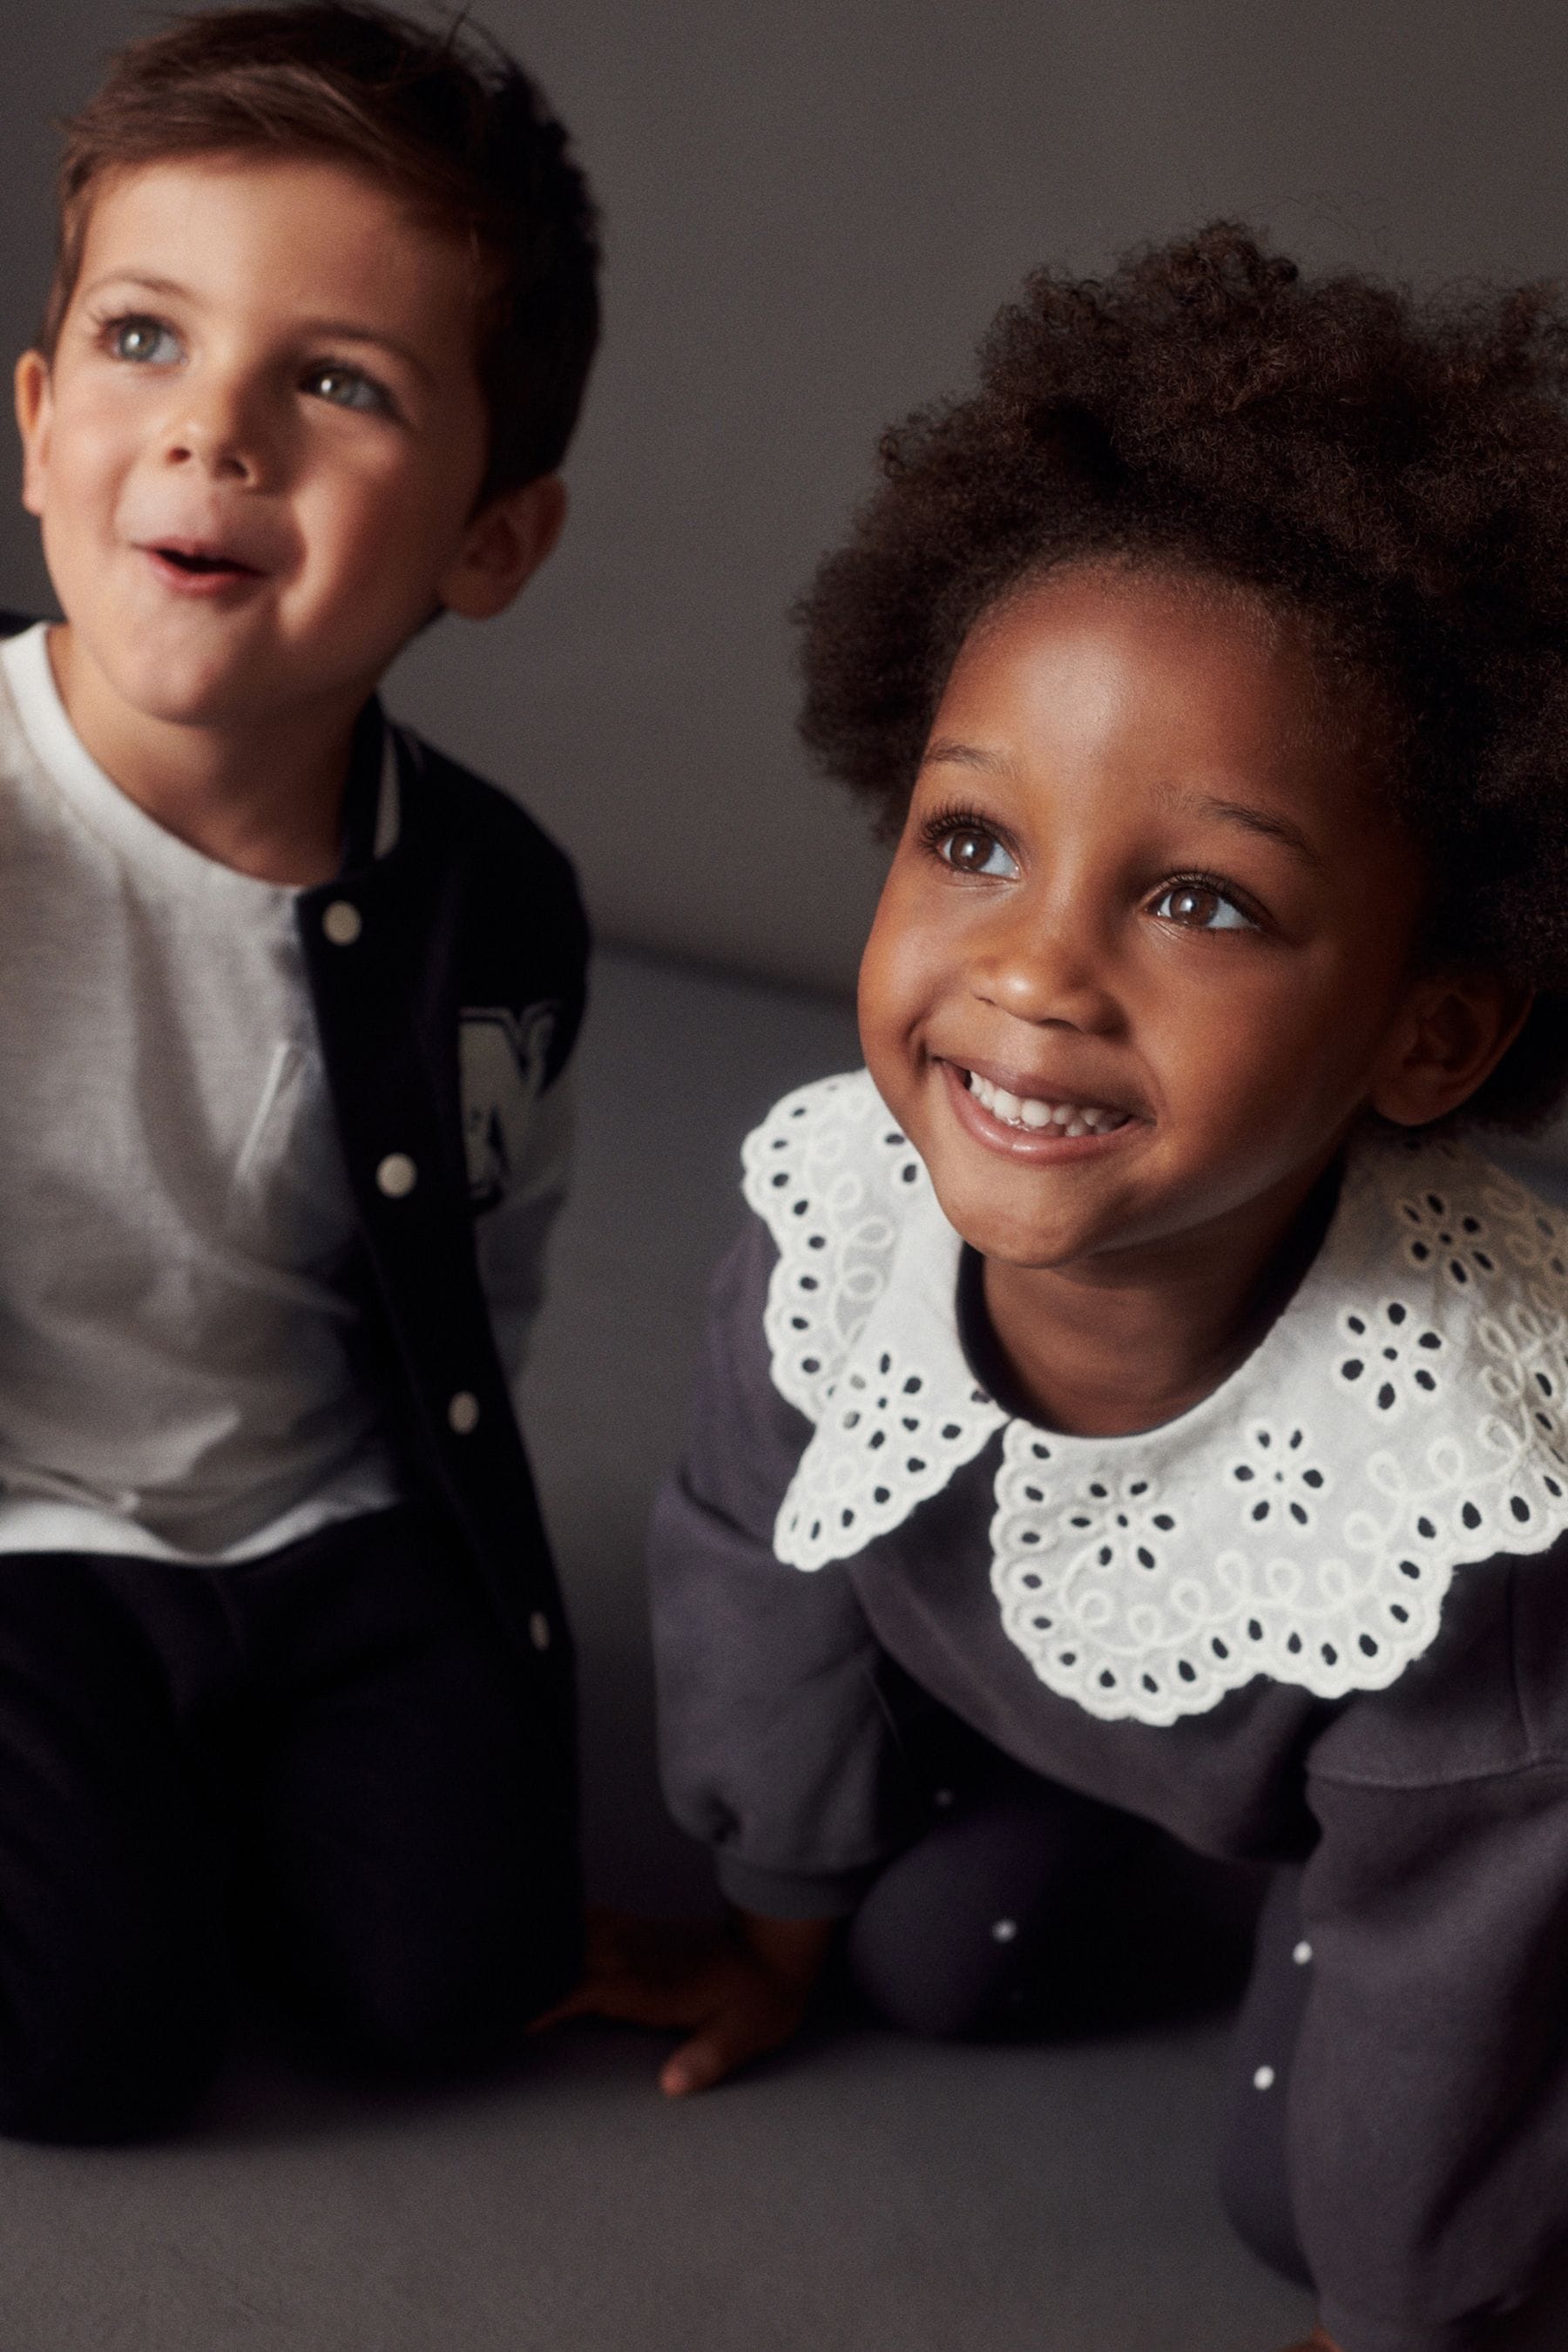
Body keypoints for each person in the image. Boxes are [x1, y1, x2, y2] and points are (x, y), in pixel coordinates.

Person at [561, 230, 1568, 2351]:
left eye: (1200, 897)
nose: (1030, 973)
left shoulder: (1472, 1521)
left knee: (1320, 2210)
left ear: (1432, 1035)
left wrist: (1405, 2316)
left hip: (1466, 1857)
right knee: (939, 1956)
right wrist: (775, 1926)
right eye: (972, 842)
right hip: (1102, 1743)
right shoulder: (839, 1223)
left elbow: (1446, 1979)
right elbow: (752, 1575)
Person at [0, 0, 598, 2139]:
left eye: (335, 384)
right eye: (148, 343)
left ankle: (210, 1782)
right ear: (42, 416)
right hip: (26, 1520)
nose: (215, 433)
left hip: (314, 1520)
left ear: (488, 543)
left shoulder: (493, 901)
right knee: (91, 2051)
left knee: (466, 1970)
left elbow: (485, 1268)